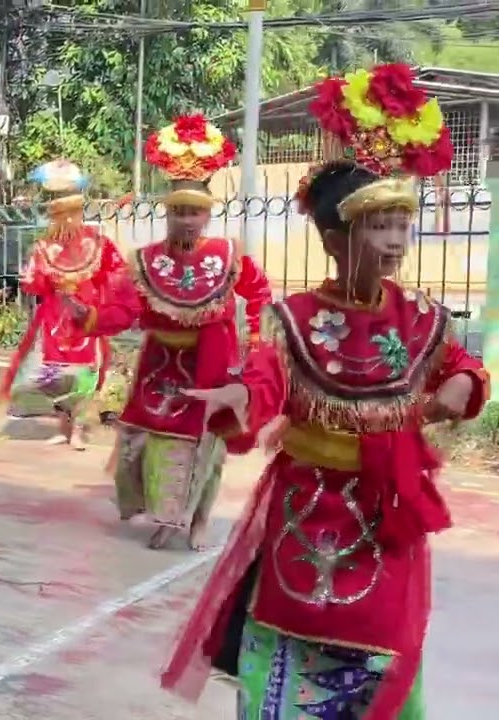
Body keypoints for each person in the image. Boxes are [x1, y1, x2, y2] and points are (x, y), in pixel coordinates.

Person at [161, 66, 482, 720]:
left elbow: (465, 366)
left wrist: (457, 383)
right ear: (336, 240)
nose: (395, 241)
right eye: (378, 226)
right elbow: (266, 375)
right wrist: (239, 400)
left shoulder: (421, 317)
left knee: (384, 650)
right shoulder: (296, 318)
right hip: (306, 509)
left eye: (402, 223)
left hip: (388, 514)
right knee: (286, 638)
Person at [64, 113, 271, 550]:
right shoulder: (145, 260)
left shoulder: (229, 255)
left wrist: (254, 346)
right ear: (168, 213)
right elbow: (123, 310)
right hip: (159, 365)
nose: (188, 220)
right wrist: (88, 316)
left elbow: (257, 295)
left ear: (207, 214)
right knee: (154, 442)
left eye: (195, 211)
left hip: (210, 366)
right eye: (179, 211)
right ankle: (166, 515)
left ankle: (197, 520)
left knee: (204, 447)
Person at [1, 160, 121, 450]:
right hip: (56, 321)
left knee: (82, 378)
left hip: (85, 320)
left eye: (71, 213)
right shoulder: (44, 247)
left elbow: (116, 272)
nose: (66, 220)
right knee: (54, 377)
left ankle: (77, 430)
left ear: (79, 212)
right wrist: (29, 278)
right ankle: (62, 426)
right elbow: (37, 284)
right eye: (59, 214)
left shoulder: (97, 243)